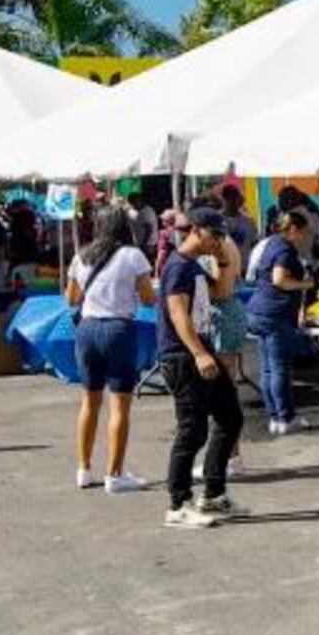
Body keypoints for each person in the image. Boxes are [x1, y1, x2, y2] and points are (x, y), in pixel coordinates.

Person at [158, 209, 245, 527]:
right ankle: (177, 504)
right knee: (192, 430)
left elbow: (221, 292)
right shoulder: (178, 267)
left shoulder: (195, 266)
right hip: (183, 356)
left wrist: (222, 260)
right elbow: (177, 314)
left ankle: (213, 494)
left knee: (230, 417)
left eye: (223, 235)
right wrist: (198, 353)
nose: (220, 240)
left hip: (202, 350)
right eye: (215, 234)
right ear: (195, 230)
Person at [65, 205, 155, 494]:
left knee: (89, 402)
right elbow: (149, 299)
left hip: (87, 330)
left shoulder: (82, 256)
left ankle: (83, 468)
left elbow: (71, 299)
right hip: (118, 329)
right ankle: (115, 475)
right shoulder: (133, 256)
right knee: (119, 406)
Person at [244, 209, 316, 436]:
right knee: (279, 368)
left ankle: (275, 417)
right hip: (275, 313)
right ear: (293, 230)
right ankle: (286, 418)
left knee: (267, 369)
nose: (305, 238)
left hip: (258, 311)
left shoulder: (271, 243)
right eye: (303, 232)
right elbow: (279, 279)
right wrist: (305, 284)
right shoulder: (284, 249)